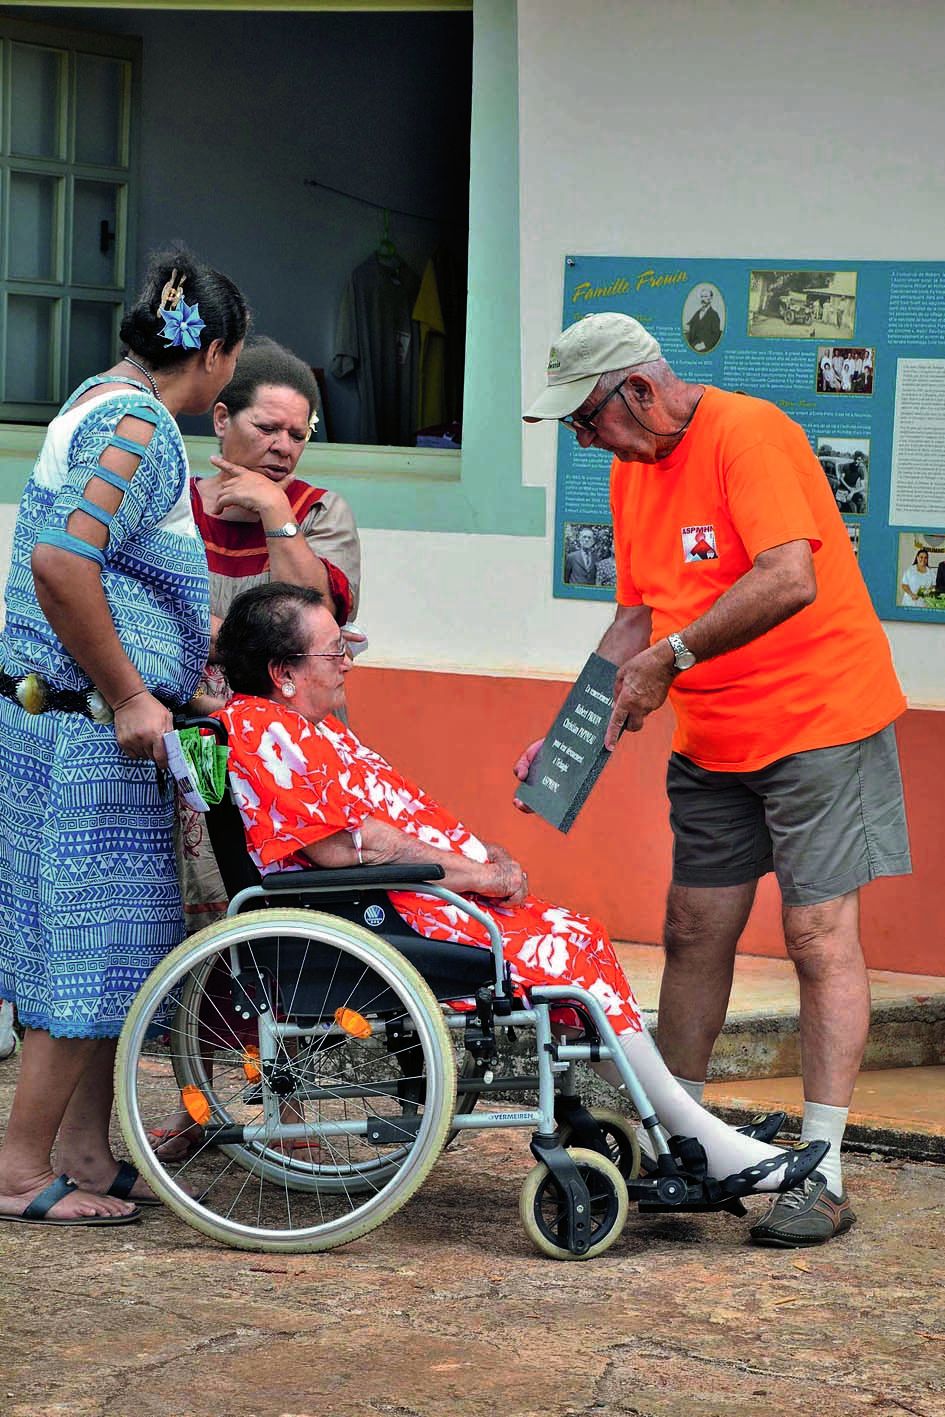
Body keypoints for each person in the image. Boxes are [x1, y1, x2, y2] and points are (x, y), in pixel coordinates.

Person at [204, 581, 827, 1204]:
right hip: (381, 912)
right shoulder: (264, 729)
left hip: (406, 901)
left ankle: (686, 1133)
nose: (346, 661)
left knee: (575, 938)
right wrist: (475, 874)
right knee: (568, 962)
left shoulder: (303, 726)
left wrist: (478, 863)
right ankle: (704, 1143)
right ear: (283, 673)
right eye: (334, 650)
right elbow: (348, 845)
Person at [517, 312, 911, 1247]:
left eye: (585, 417)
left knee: (817, 934)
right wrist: (568, 732)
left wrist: (674, 655)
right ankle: (680, 1144)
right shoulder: (629, 471)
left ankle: (821, 1168)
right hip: (713, 734)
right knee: (694, 927)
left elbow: (786, 579)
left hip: (821, 720)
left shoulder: (750, 434)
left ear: (640, 392)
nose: (582, 438)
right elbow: (631, 622)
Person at [0, 248, 248, 1226]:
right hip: (84, 730)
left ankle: (88, 1154)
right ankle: (19, 1170)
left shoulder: (99, 403)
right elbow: (66, 564)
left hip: (72, 721)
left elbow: (114, 568)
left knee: (115, 948)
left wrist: (195, 645)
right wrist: (133, 694)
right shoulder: (139, 425)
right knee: (84, 948)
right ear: (217, 354)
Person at [180, 338, 362, 936]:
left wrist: (274, 511)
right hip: (186, 719)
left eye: (299, 434)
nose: (284, 447)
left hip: (286, 735)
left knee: (283, 888)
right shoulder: (173, 506)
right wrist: (240, 645)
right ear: (223, 418)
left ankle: (272, 1027)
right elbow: (136, 614)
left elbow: (311, 620)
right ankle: (175, 1027)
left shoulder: (318, 512)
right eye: (267, 428)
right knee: (188, 872)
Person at [684, 287, 722, 352]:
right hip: (692, 345)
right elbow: (690, 324)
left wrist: (704, 345)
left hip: (704, 347)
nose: (703, 299)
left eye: (705, 296)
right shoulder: (698, 312)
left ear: (711, 299)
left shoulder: (714, 315)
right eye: (702, 296)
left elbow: (716, 335)